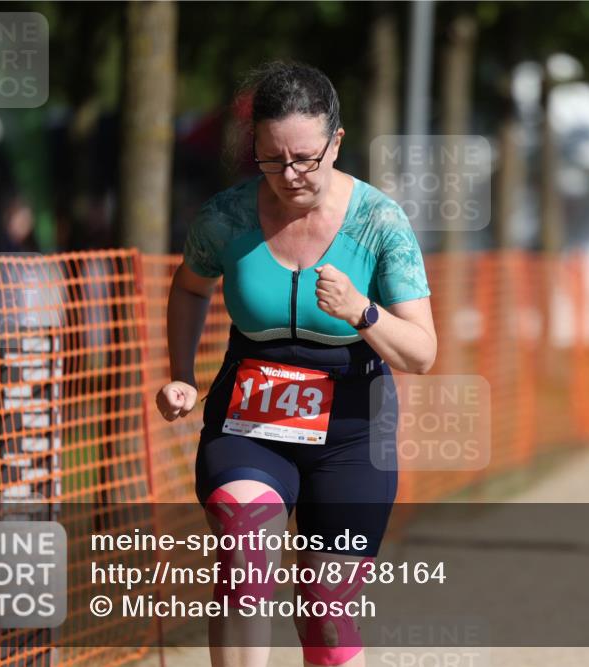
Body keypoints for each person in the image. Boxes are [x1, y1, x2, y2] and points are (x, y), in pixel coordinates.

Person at [155, 61, 436, 667]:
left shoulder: (379, 222)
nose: (289, 175)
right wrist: (182, 375)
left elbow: (422, 351)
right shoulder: (224, 219)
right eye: (272, 158)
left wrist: (363, 312)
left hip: (352, 430)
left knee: (326, 617)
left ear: (336, 141)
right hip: (248, 422)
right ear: (252, 147)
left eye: (306, 158)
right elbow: (189, 289)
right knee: (244, 556)